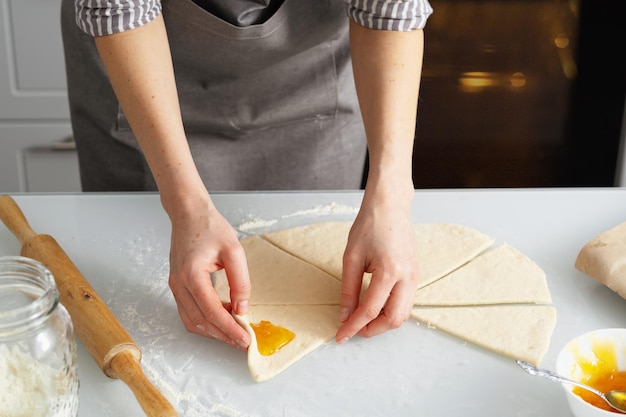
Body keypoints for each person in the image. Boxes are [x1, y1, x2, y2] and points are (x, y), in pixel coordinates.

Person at [61, 0, 433, 351]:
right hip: (142, 76)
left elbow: (391, 11)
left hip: (314, 81)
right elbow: (120, 10)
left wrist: (392, 198)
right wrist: (184, 205)